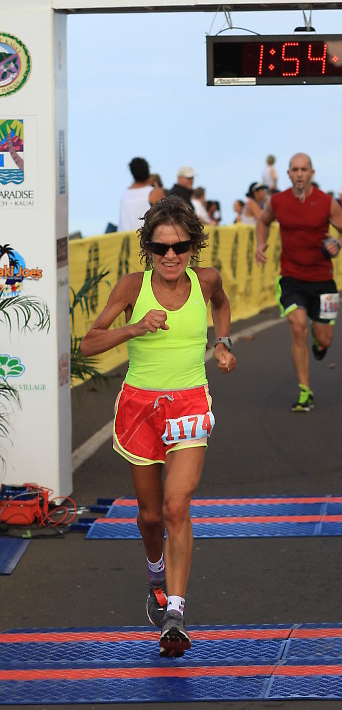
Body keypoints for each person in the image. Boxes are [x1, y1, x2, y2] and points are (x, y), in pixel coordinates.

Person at [80, 196, 236, 658]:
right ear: (147, 247)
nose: (172, 256)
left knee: (175, 505)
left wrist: (222, 343)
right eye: (161, 247)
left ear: (194, 246)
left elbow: (223, 307)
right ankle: (155, 574)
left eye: (181, 246)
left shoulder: (206, 281)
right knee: (149, 517)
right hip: (140, 406)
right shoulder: (133, 286)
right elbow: (89, 344)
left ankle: (176, 613)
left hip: (189, 401)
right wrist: (134, 329)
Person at [255, 153, 342, 412]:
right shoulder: (278, 201)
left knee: (325, 341)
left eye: (304, 169)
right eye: (295, 170)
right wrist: (260, 244)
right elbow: (263, 221)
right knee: (298, 326)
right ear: (288, 174)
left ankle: (318, 343)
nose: (300, 174)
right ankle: (305, 392)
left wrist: (339, 243)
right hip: (291, 277)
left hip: (323, 281)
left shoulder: (326, 202)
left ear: (312, 173)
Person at [118, 157, 166, 232]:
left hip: (126, 240)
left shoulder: (125, 194)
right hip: (144, 239)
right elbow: (166, 217)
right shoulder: (154, 193)